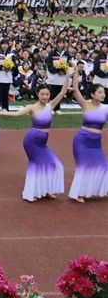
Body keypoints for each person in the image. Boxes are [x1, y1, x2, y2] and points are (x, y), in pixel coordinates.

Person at [0, 75, 70, 202]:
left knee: (55, 165)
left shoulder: (50, 106)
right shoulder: (32, 108)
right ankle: (31, 192)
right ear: (37, 94)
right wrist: (2, 112)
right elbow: (16, 114)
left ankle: (46, 189)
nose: (45, 97)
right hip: (31, 141)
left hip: (42, 143)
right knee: (37, 165)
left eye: (47, 94)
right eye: (42, 94)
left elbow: (63, 91)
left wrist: (68, 75)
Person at [68, 73, 107, 202]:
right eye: (100, 92)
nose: (103, 94)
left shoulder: (105, 108)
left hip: (96, 144)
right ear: (92, 94)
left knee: (102, 165)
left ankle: (102, 189)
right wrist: (74, 74)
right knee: (83, 167)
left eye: (103, 92)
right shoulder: (85, 105)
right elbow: (76, 90)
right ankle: (78, 193)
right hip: (82, 141)